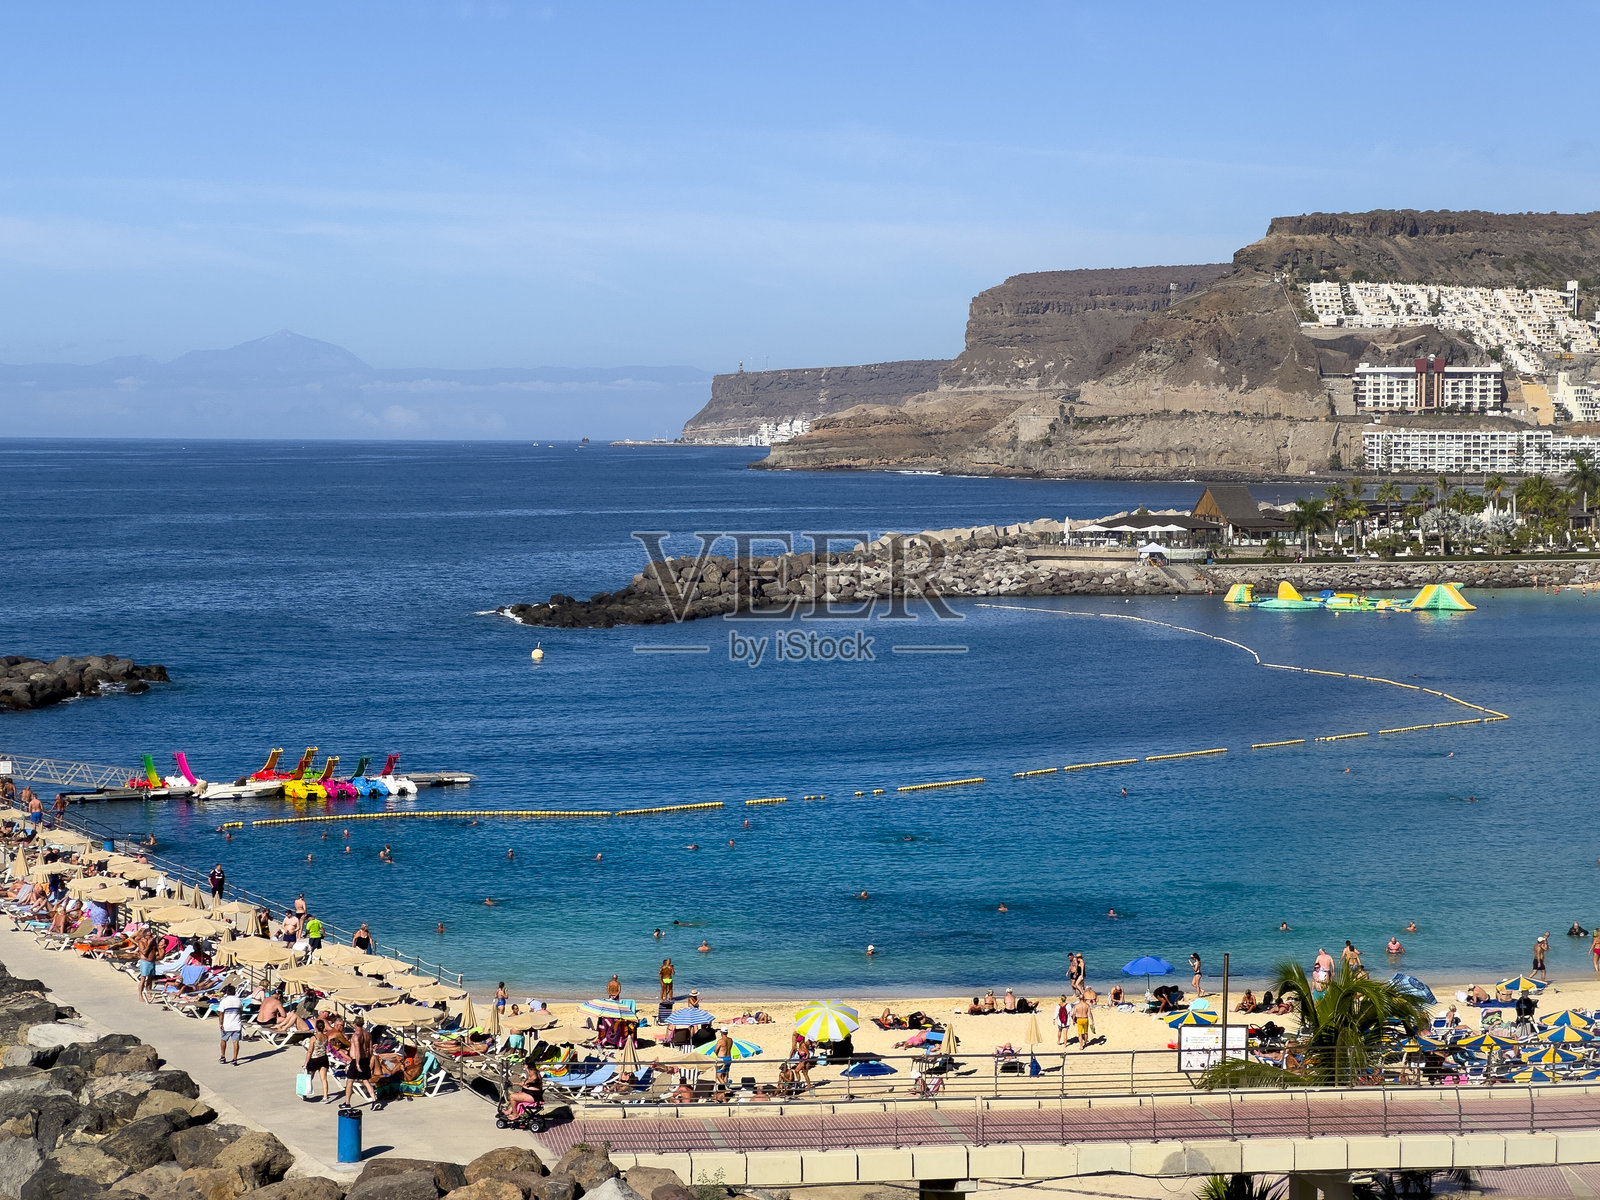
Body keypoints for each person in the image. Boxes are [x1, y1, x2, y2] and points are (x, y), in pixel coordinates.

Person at [343, 1015, 372, 1106]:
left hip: (357, 1060)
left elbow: (357, 1050)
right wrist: (369, 1059)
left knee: (350, 1081)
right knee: (365, 1080)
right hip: (365, 1059)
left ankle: (347, 1103)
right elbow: (370, 1049)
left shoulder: (356, 1036)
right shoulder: (368, 1034)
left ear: (355, 1024)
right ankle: (374, 1100)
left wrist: (357, 1064)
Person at [303, 1019, 332, 1102]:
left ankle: (305, 1093)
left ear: (316, 1027)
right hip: (323, 1058)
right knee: (323, 1079)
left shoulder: (313, 1038)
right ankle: (325, 1097)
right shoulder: (326, 1037)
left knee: (309, 1077)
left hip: (314, 1059)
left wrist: (305, 1063)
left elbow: (310, 1051)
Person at [217, 984, 243, 1065]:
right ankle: (235, 1059)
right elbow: (241, 1011)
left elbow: (221, 1013)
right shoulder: (238, 1000)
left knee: (223, 1040)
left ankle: (223, 1056)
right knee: (236, 1042)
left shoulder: (224, 1001)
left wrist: (220, 1024)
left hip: (226, 1025)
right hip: (236, 1024)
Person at [135, 927, 160, 1002]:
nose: (151, 936)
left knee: (150, 979)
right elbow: (144, 952)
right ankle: (140, 995)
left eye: (151, 934)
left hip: (152, 961)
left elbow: (156, 949)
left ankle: (149, 994)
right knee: (143, 979)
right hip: (145, 962)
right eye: (149, 935)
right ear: (145, 936)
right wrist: (149, 944)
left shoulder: (153, 941)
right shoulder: (141, 942)